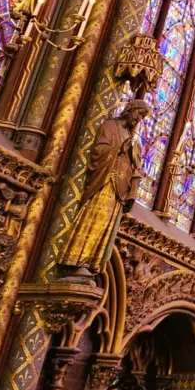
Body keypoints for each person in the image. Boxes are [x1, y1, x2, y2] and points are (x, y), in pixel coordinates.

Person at [58, 99, 151, 282]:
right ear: (130, 110)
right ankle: (76, 262)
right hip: (103, 182)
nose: (139, 120)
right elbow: (99, 150)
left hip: (119, 191)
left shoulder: (132, 137)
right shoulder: (110, 126)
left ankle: (91, 263)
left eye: (142, 117)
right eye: (139, 114)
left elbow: (133, 165)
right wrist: (119, 149)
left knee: (105, 228)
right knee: (91, 220)